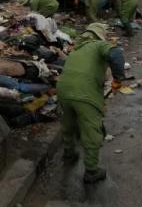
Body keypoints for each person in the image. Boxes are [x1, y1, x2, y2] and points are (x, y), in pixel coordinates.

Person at [57, 22, 126, 183]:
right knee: (91, 132)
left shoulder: (76, 50)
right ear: (100, 35)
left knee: (68, 123)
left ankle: (69, 153)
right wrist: (118, 78)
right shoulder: (99, 45)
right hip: (84, 93)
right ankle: (91, 170)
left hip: (63, 91)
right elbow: (116, 54)